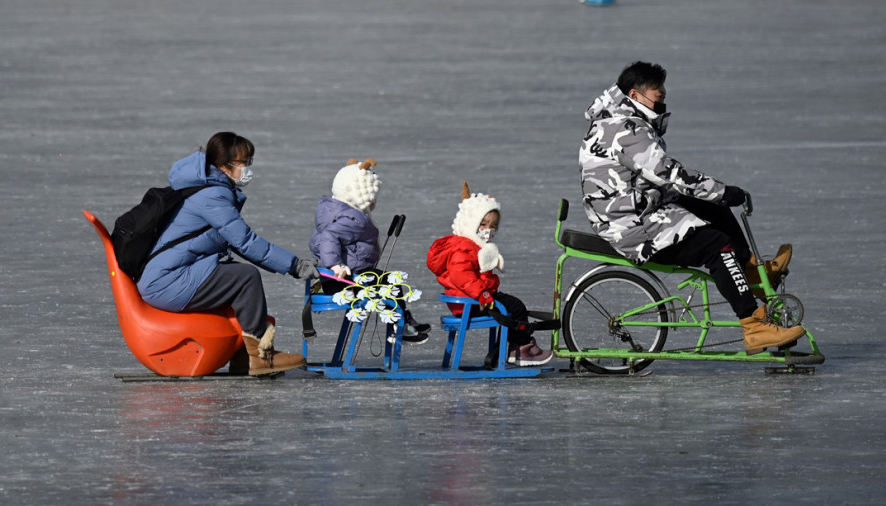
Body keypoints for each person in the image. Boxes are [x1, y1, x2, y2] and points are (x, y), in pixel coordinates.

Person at [578, 62, 806, 355]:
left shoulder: (618, 121)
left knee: (714, 207)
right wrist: (725, 191)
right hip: (631, 227)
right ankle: (754, 326)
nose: (662, 103)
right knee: (716, 245)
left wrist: (717, 196)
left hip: (635, 210)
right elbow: (669, 173)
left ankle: (749, 273)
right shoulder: (623, 130)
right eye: (657, 98)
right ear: (635, 95)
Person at [137, 132, 321, 375]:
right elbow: (245, 241)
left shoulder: (207, 187)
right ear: (224, 166)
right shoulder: (212, 195)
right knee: (245, 277)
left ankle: (243, 356)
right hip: (167, 282)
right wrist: (294, 265)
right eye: (244, 163)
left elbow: (233, 241)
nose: (248, 169)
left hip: (167, 276)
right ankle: (260, 355)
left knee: (233, 275)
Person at [427, 182, 554, 366]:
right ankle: (522, 347)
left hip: (476, 298)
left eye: (493, 226)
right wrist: (483, 294)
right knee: (514, 308)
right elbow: (462, 276)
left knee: (513, 306)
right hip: (471, 303)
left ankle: (510, 347)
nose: (489, 230)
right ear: (472, 224)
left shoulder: (473, 246)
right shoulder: (463, 248)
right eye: (484, 224)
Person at [308, 158, 430, 343]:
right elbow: (328, 238)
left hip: (341, 278)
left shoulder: (337, 211)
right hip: (344, 281)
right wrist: (335, 265)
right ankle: (403, 325)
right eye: (370, 197)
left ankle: (405, 319)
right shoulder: (352, 219)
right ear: (357, 194)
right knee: (392, 284)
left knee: (388, 281)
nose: (373, 203)